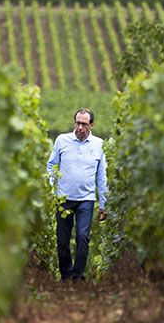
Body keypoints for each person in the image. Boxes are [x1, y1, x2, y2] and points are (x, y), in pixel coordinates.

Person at [46, 108, 109, 282]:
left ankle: (77, 276)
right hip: (63, 199)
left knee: (83, 237)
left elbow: (101, 176)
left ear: (91, 125)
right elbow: (51, 166)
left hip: (86, 200)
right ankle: (66, 275)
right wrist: (51, 190)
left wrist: (103, 204)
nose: (80, 127)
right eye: (77, 123)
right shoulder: (62, 140)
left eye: (84, 124)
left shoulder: (99, 145)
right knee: (63, 241)